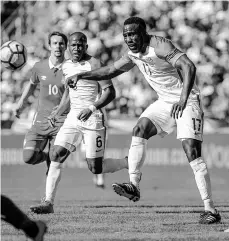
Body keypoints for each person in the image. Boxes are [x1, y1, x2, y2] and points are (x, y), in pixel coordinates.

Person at [66, 17, 221, 224]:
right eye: (126, 35)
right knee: (139, 129)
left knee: (191, 151)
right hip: (165, 102)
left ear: (143, 33)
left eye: (133, 34)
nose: (129, 38)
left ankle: (210, 209)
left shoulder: (159, 45)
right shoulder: (132, 54)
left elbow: (188, 66)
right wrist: (83, 75)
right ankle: (134, 186)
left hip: (187, 100)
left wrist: (183, 99)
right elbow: (111, 70)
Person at [30, 32, 128, 214]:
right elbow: (69, 93)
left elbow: (110, 92)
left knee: (95, 167)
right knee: (55, 155)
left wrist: (91, 108)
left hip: (93, 118)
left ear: (86, 46)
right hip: (73, 118)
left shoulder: (95, 64)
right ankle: (48, 202)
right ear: (69, 48)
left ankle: (127, 162)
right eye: (73, 45)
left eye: (80, 45)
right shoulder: (66, 66)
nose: (76, 48)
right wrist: (58, 111)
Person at [14, 31, 69, 179]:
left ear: (66, 46)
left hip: (61, 121)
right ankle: (45, 157)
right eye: (55, 43)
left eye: (61, 43)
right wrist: (21, 103)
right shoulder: (39, 66)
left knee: (54, 163)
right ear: (49, 46)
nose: (58, 46)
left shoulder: (71, 69)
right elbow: (31, 85)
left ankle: (47, 199)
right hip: (41, 119)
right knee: (28, 157)